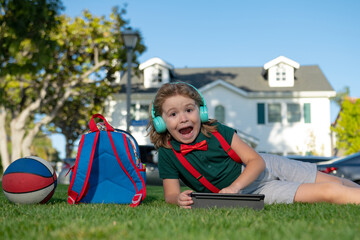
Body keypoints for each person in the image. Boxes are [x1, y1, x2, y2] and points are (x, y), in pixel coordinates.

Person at [147, 82, 360, 208]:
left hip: (266, 166)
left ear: (200, 112)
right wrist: (179, 200)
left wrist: (233, 188)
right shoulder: (168, 153)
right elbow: (170, 194)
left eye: (189, 110)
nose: (183, 118)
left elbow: (255, 161)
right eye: (173, 114)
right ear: (161, 122)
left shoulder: (218, 131)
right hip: (255, 191)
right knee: (329, 191)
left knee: (337, 182)